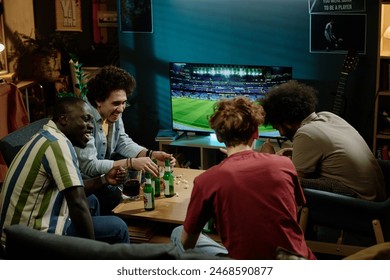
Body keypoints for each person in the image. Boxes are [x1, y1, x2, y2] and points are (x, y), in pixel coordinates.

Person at [170, 96, 316, 260]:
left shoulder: (206, 180)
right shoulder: (285, 164)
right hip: (300, 262)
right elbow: (291, 212)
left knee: (177, 233)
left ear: (219, 136)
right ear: (256, 132)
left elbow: (187, 244)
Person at [0, 96, 130, 249]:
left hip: (16, 232)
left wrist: (104, 179)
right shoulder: (57, 145)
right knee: (118, 227)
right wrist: (94, 251)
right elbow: (77, 202)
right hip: (31, 239)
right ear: (64, 119)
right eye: (85, 119)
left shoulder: (47, 136)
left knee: (92, 201)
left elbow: (75, 189)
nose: (91, 126)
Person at [260, 80, 386, 201]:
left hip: (362, 203)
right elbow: (331, 151)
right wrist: (294, 150)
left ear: (286, 122)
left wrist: (269, 158)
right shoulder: (328, 116)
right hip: (378, 195)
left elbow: (295, 182)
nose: (281, 133)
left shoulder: (305, 133)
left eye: (278, 128)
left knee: (285, 181)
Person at [74, 65, 175, 214]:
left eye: (123, 103)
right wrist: (131, 163)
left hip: (105, 178)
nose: (121, 109)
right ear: (98, 101)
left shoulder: (113, 113)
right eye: (116, 103)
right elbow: (89, 166)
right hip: (86, 185)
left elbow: (122, 141)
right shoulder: (83, 120)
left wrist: (150, 154)